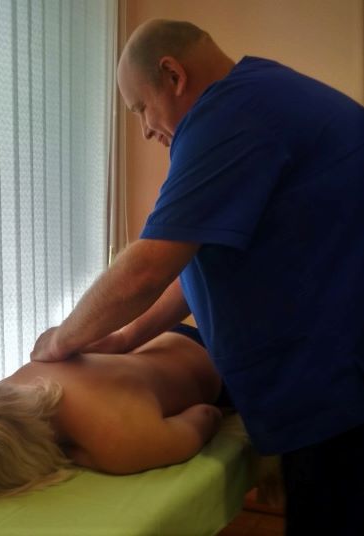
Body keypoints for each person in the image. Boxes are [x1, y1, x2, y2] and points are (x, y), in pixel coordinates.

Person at [30, 19, 364, 535]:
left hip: (335, 383)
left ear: (172, 75)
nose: (145, 129)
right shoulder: (261, 97)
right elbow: (193, 270)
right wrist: (124, 338)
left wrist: (61, 340)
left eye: (140, 108)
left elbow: (146, 268)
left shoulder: (229, 115)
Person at [0, 326, 227, 506]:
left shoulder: (119, 443)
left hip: (215, 363)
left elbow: (207, 415)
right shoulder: (16, 383)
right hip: (159, 336)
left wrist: (84, 455)